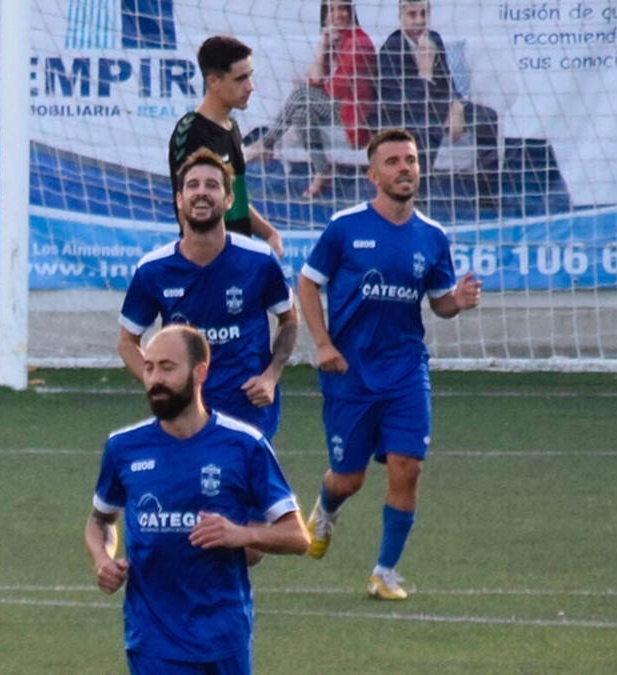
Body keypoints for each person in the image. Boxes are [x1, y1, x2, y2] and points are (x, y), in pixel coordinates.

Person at [296, 128, 483, 600]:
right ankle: (326, 508)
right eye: (394, 161)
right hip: (350, 373)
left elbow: (438, 303)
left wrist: (456, 301)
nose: (405, 168)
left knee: (407, 468)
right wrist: (322, 343)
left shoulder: (432, 237)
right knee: (349, 478)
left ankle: (384, 572)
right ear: (372, 174)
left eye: (411, 160)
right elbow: (306, 284)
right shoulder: (345, 228)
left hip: (405, 371)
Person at [86, 324, 309, 675]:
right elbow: (100, 520)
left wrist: (243, 535)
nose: (155, 379)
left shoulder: (244, 445)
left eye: (167, 367)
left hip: (225, 637)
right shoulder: (123, 448)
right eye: (149, 367)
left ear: (200, 372)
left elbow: (298, 537)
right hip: (154, 639)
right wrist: (103, 559)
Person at [119, 148, 298, 441]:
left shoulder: (260, 260)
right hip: (184, 415)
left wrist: (270, 376)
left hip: (248, 411)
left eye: (212, 185)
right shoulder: (153, 269)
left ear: (229, 200)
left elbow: (289, 320)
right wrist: (160, 383)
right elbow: (127, 342)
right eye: (193, 185)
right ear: (179, 200)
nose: (201, 193)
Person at [244, 0, 376, 198]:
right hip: (342, 110)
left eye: (342, 9)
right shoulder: (339, 39)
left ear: (351, 11)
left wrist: (311, 83)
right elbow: (318, 79)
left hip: (356, 119)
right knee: (300, 113)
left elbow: (332, 90)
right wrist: (323, 44)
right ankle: (323, 170)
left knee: (301, 95)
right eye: (331, 10)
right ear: (324, 16)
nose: (338, 15)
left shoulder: (357, 43)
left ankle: (266, 144)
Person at [169, 35, 283, 257]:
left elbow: (234, 200)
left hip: (236, 258)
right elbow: (187, 207)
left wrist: (270, 234)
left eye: (250, 76)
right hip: (211, 262)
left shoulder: (232, 127)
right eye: (240, 79)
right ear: (213, 82)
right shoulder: (191, 132)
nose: (250, 87)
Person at [377, 0, 499, 200]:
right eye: (412, 15)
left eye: (423, 14)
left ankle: (488, 197)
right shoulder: (390, 48)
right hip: (406, 114)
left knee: (487, 118)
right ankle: (415, 198)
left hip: (441, 107)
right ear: (401, 18)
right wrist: (425, 71)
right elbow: (400, 101)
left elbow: (447, 82)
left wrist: (457, 106)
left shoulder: (434, 39)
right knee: (423, 128)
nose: (419, 21)